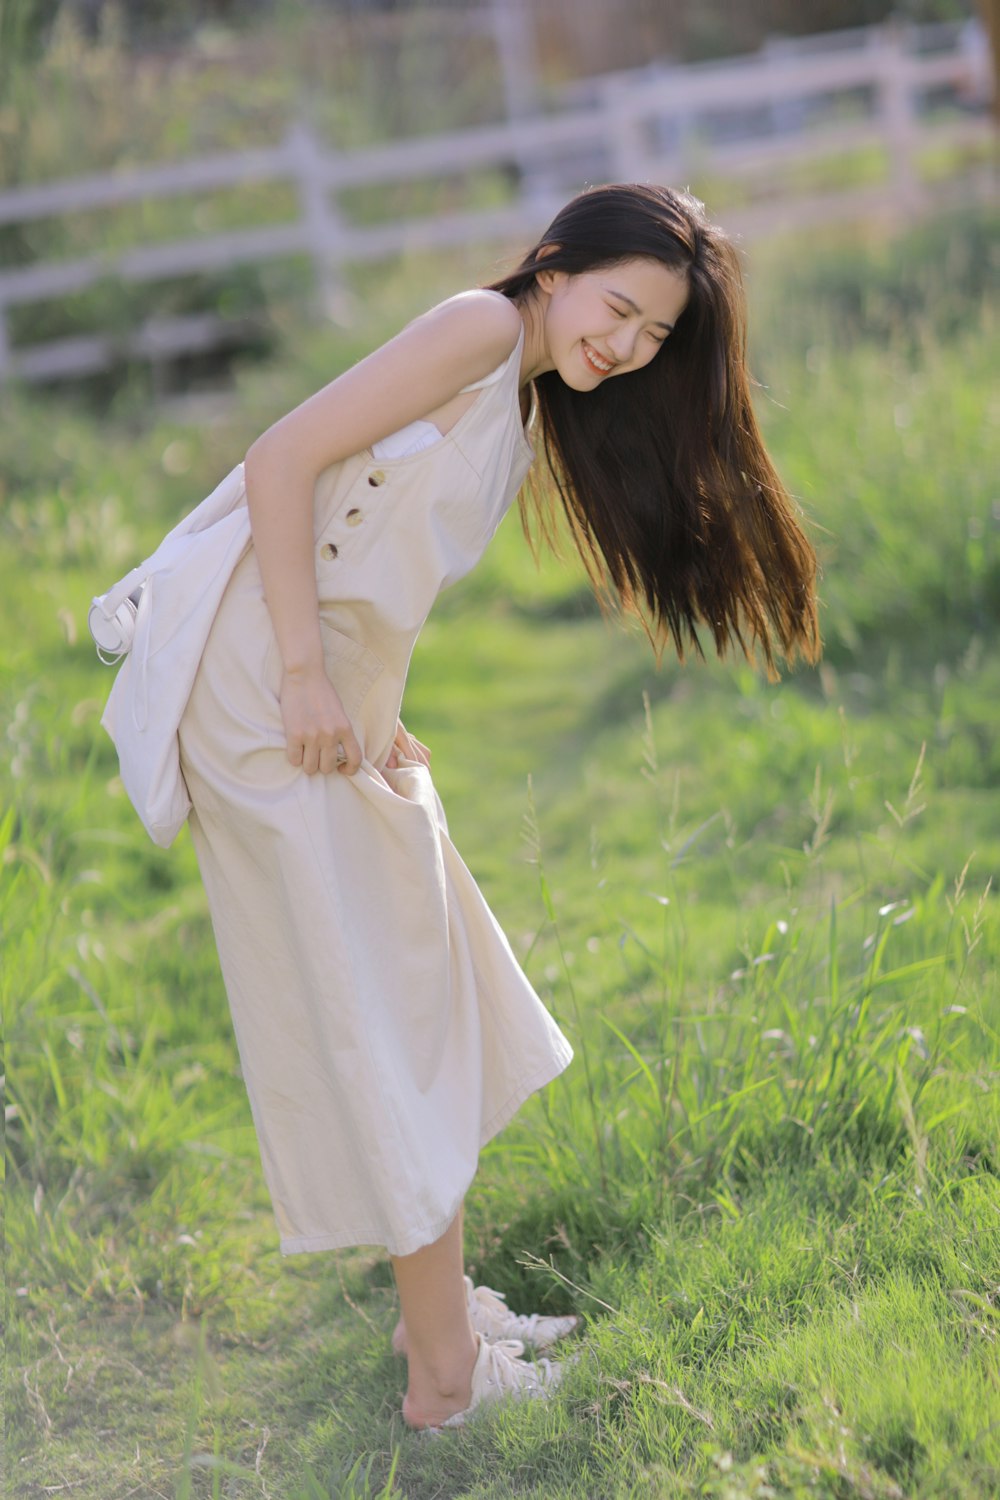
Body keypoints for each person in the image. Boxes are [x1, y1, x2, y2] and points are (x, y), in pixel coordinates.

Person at [174, 182, 820, 1434]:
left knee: (420, 986)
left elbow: (377, 552)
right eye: (619, 308)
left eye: (652, 336)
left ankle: (447, 1318)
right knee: (390, 1016)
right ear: (559, 265)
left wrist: (371, 699)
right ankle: (446, 1386)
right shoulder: (479, 329)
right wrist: (309, 677)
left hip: (314, 688)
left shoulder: (521, 397)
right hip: (261, 689)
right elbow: (284, 460)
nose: (626, 346)